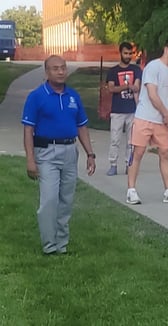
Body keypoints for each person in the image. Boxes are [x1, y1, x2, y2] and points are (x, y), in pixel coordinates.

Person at [21, 55, 96, 254]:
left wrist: (90, 154)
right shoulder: (37, 96)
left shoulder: (73, 96)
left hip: (70, 151)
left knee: (66, 200)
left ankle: (61, 244)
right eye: (55, 68)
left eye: (63, 68)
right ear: (47, 72)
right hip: (46, 153)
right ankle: (49, 245)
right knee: (49, 200)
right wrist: (30, 159)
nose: (61, 71)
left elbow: (82, 126)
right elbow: (28, 130)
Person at [126, 38, 168, 205]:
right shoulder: (153, 67)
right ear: (166, 49)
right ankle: (131, 190)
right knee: (138, 153)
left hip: (162, 122)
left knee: (165, 154)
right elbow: (152, 94)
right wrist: (166, 114)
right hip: (144, 117)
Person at [106, 42, 142, 176]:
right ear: (120, 53)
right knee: (115, 139)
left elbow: (137, 87)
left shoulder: (136, 69)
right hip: (117, 110)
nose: (128, 56)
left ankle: (129, 164)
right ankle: (113, 164)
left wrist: (130, 87)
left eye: (130, 53)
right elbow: (111, 88)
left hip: (132, 110)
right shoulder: (113, 71)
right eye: (125, 53)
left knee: (131, 141)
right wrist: (127, 86)